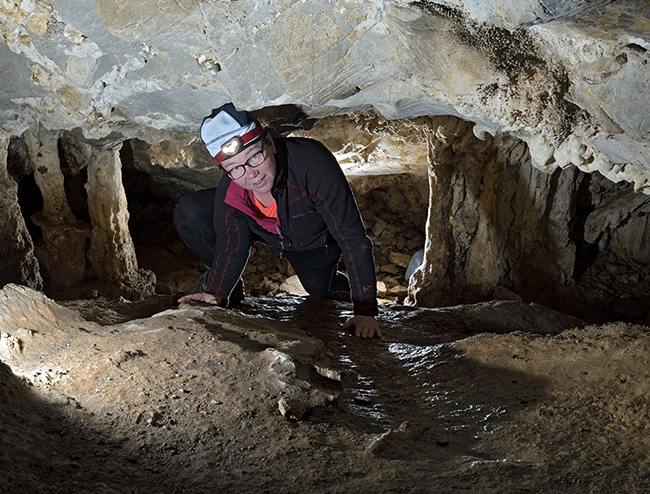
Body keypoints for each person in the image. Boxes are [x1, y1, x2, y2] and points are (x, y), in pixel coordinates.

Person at [173, 103, 382, 339]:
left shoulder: (311, 163)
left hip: (311, 238)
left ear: (270, 143)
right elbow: (231, 247)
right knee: (192, 210)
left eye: (254, 156)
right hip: (267, 230)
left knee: (318, 287)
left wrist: (365, 310)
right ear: (226, 171)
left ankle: (348, 289)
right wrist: (217, 293)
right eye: (235, 168)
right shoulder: (232, 189)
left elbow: (353, 240)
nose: (251, 174)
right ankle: (233, 290)